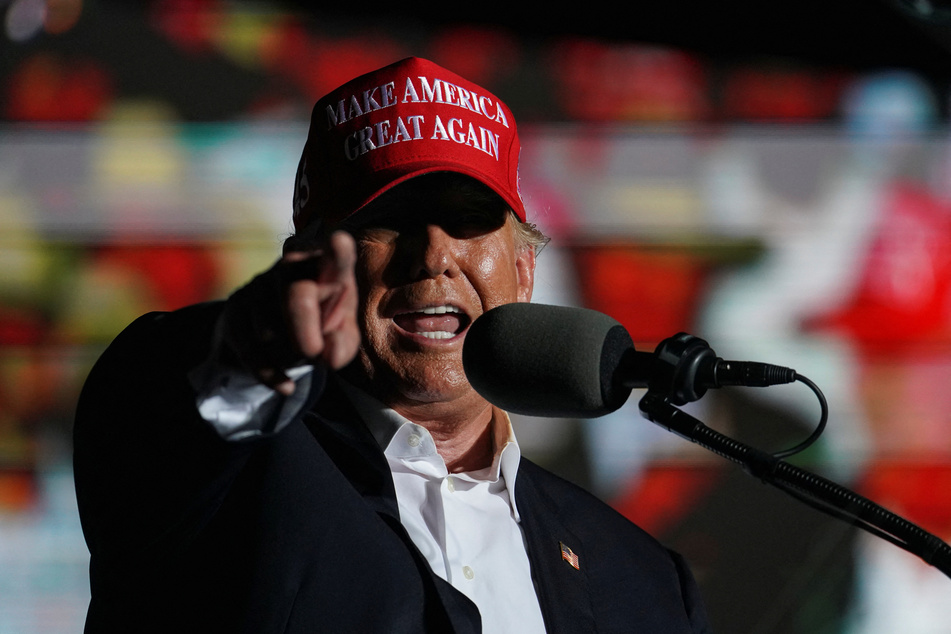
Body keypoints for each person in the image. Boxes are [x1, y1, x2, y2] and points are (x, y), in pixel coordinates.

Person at [73, 57, 711, 633]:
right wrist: (250, 343)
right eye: (391, 219)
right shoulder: (224, 474)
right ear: (310, 262)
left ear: (524, 270)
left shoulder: (643, 582)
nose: (433, 255)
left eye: (467, 220)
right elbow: (163, 404)